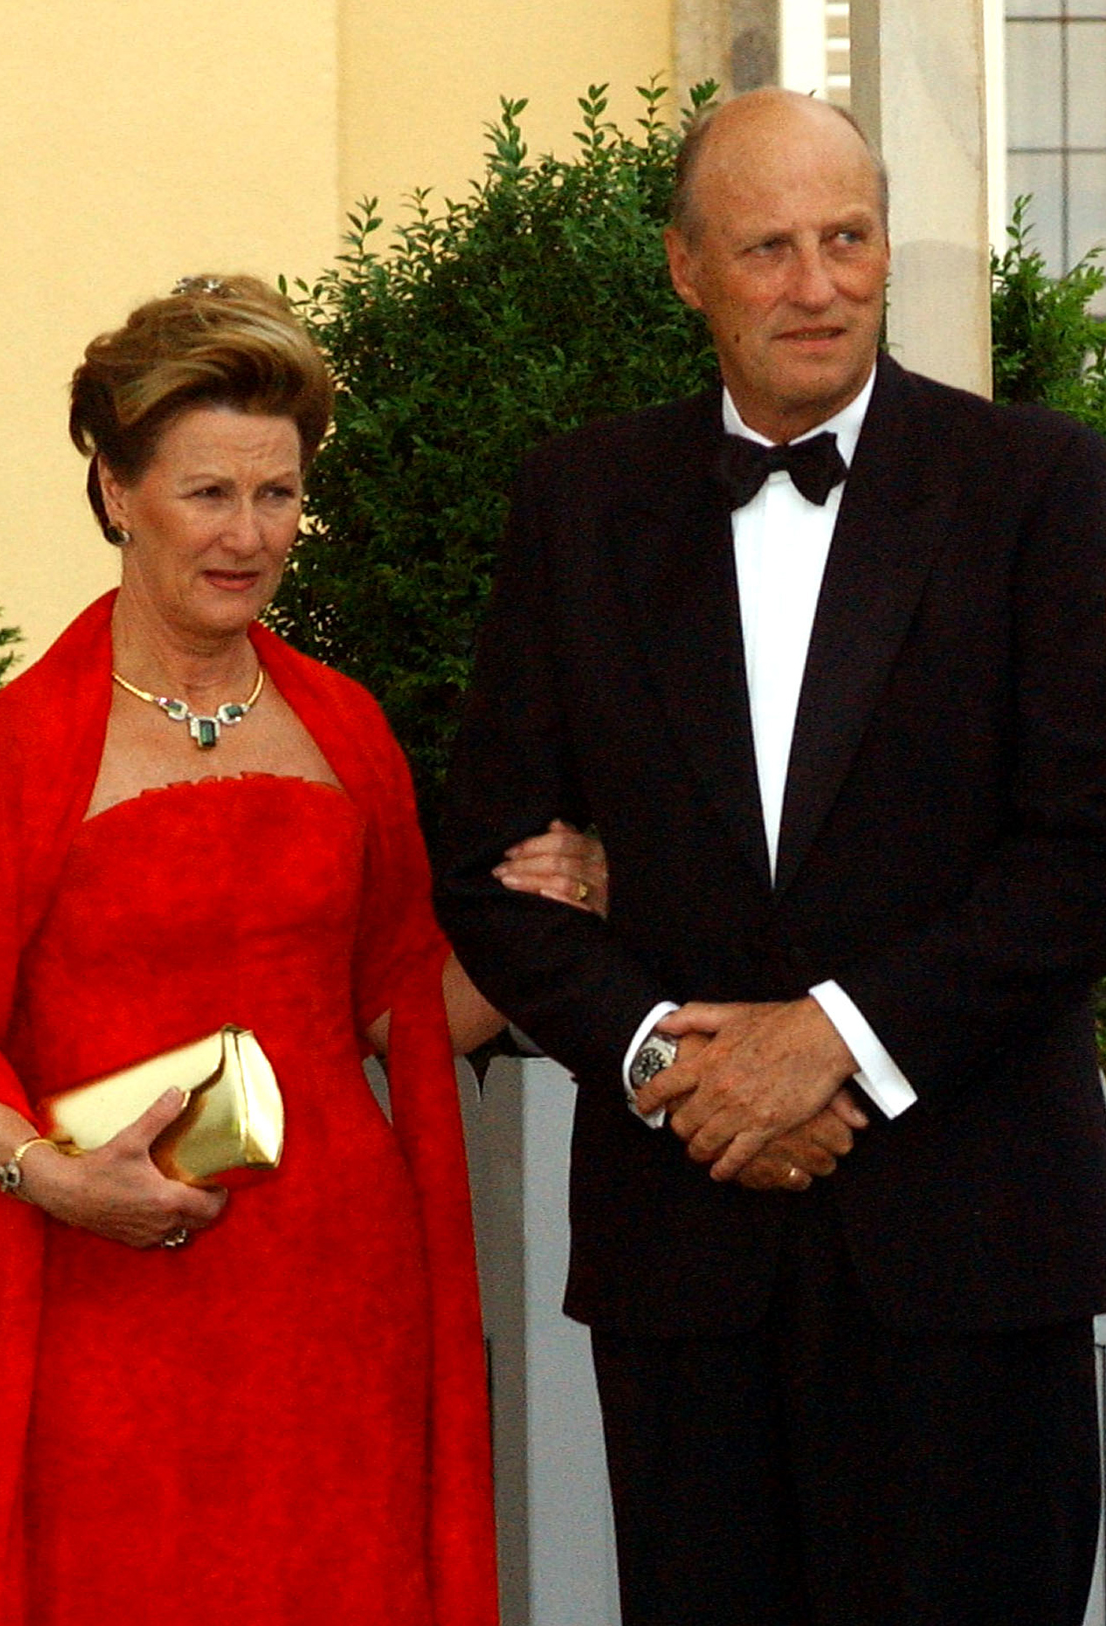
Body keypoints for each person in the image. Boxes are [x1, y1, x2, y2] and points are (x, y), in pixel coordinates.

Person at [435, 88, 1106, 1626]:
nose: (818, 284)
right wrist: (668, 1052)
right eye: (770, 249)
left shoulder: (1042, 485)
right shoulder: (579, 503)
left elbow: (1083, 847)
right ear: (686, 269)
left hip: (971, 1249)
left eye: (849, 240)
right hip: (689, 1256)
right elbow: (487, 863)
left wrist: (834, 1046)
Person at [0, 274, 602, 1626]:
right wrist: (52, 1178)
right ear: (116, 490)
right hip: (112, 1307)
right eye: (210, 492)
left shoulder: (345, 728)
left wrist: (544, 918)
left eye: (277, 494)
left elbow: (407, 1013)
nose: (251, 534)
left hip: (341, 1310)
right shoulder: (19, 749)